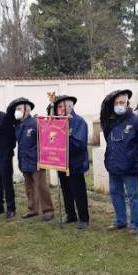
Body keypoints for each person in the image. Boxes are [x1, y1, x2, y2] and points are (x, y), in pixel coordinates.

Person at [100, 89, 138, 234]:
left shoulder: (136, 120)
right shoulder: (110, 121)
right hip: (113, 165)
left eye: (122, 102)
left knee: (133, 196)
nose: (119, 105)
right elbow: (109, 140)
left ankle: (136, 224)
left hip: (129, 167)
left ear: (128, 104)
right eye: (116, 103)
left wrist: (133, 157)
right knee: (116, 193)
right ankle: (120, 221)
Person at [8, 97, 55, 222]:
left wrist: (43, 158)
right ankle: (32, 209)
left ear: (27, 110)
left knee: (41, 186)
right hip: (24, 159)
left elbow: (45, 141)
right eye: (16, 109)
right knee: (29, 186)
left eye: (19, 109)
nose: (16, 111)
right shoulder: (18, 125)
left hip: (37, 160)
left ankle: (48, 210)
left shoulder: (35, 123)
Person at [51, 94, 90, 229]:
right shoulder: (56, 122)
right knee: (66, 190)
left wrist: (64, 134)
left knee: (78, 191)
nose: (60, 109)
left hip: (76, 163)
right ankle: (70, 214)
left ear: (70, 106)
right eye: (58, 107)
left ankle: (84, 218)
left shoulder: (79, 122)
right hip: (61, 162)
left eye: (62, 106)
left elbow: (80, 144)